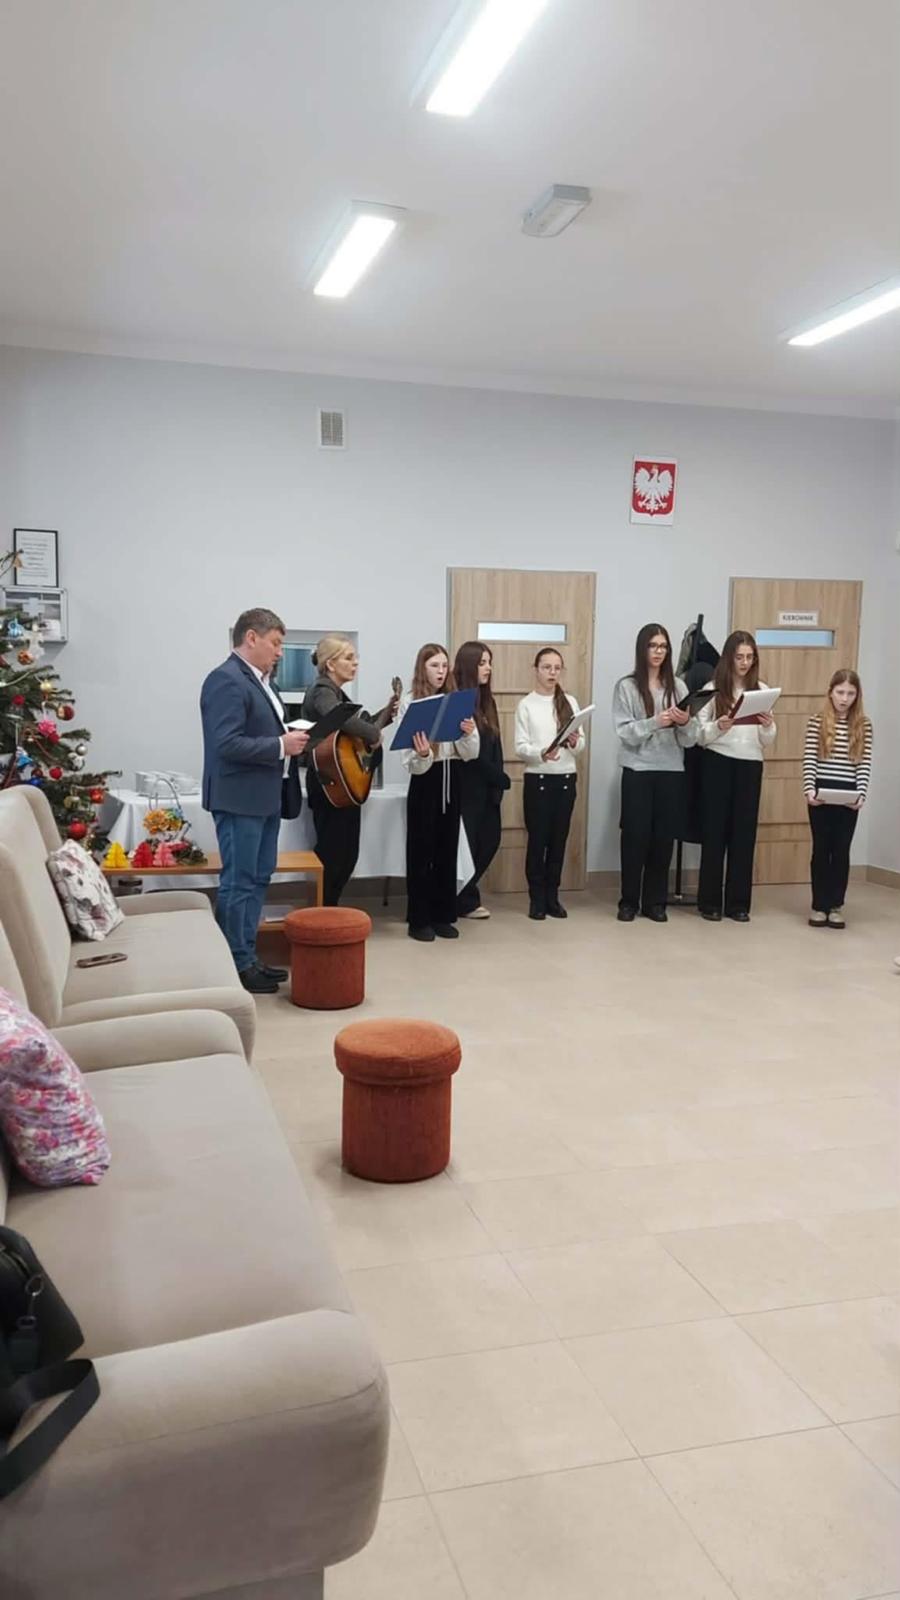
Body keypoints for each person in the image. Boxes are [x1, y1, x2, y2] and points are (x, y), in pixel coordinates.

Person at [200, 607, 309, 992]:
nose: (280, 652)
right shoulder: (226, 680)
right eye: (275, 644)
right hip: (239, 799)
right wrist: (281, 745)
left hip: (265, 797)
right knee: (239, 881)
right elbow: (226, 743)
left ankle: (248, 955)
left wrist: (292, 738)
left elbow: (262, 732)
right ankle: (234, 964)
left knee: (259, 878)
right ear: (251, 638)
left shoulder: (264, 683)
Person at [301, 634, 399, 905]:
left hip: (341, 782)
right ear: (330, 664)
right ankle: (323, 912)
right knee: (334, 855)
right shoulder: (322, 691)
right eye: (348, 658)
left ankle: (329, 910)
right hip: (329, 783)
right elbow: (337, 718)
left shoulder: (336, 693)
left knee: (345, 856)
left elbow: (353, 733)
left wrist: (384, 716)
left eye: (355, 657)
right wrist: (372, 733)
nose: (355, 663)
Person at [612, 623, 697, 923]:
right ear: (642, 649)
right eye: (653, 646)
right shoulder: (627, 686)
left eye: (663, 646)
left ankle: (655, 902)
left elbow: (690, 739)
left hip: (671, 771)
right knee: (635, 837)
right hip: (638, 771)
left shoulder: (679, 687)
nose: (658, 651)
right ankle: (628, 901)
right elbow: (625, 732)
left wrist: (684, 722)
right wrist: (655, 722)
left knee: (663, 839)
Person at [695, 629, 776, 922]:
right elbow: (698, 735)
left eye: (749, 657)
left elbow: (767, 740)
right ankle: (710, 902)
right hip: (718, 762)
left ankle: (738, 903)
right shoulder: (712, 688)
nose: (744, 662)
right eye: (739, 657)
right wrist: (718, 726)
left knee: (744, 835)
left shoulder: (761, 690)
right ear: (729, 658)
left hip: (750, 765)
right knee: (714, 833)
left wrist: (767, 725)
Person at [402, 643, 479, 942]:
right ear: (423, 668)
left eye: (444, 665)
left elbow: (470, 753)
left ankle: (443, 915)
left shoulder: (455, 701)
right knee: (421, 851)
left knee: (447, 849)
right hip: (426, 778)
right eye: (434, 665)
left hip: (452, 775)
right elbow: (409, 760)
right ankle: (419, 919)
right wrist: (423, 754)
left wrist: (469, 734)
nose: (441, 671)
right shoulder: (411, 702)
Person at [514, 647, 585, 921]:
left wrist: (575, 742)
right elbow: (520, 747)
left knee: (558, 841)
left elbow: (581, 745)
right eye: (547, 667)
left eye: (557, 668)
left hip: (566, 779)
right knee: (538, 841)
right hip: (539, 780)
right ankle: (537, 899)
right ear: (536, 670)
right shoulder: (526, 704)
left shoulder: (569, 702)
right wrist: (541, 753)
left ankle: (553, 897)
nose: (552, 673)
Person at [802, 669, 873, 929]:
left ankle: (835, 905)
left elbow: (863, 763)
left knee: (841, 850)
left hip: (848, 795)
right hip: (821, 793)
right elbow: (810, 758)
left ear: (857, 696)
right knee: (821, 850)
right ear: (830, 692)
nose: (844, 698)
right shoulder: (817, 722)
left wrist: (861, 793)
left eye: (850, 693)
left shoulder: (864, 725)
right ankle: (819, 905)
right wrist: (809, 790)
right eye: (840, 692)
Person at [453, 641, 510, 920]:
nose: (488, 668)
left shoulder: (487, 701)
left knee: (490, 841)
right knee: (469, 845)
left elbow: (495, 745)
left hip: (489, 786)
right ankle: (463, 899)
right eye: (482, 663)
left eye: (489, 663)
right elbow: (468, 753)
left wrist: (498, 778)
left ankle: (465, 895)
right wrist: (497, 775)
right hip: (468, 786)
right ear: (469, 666)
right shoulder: (459, 701)